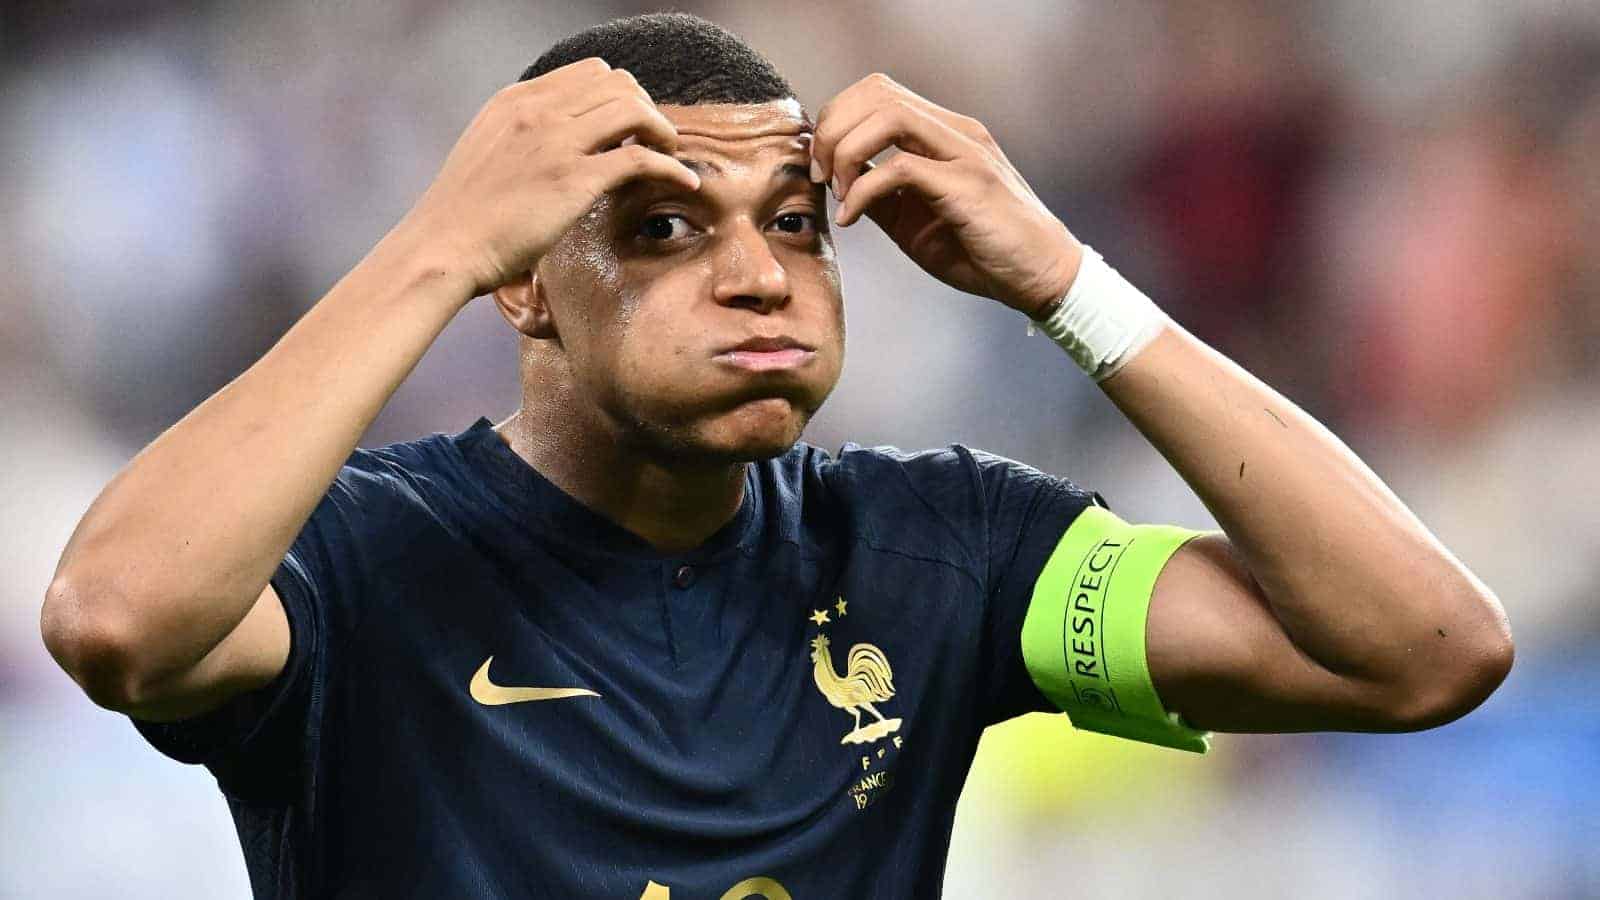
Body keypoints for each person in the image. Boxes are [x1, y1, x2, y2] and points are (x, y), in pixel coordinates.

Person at [40, 13, 1513, 899]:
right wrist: (432, 244)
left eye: (797, 225)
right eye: (665, 227)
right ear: (525, 284)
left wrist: (1070, 285)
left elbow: (1426, 651)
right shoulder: (362, 555)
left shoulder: (938, 555)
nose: (758, 277)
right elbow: (115, 618)